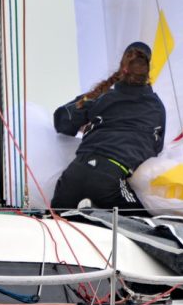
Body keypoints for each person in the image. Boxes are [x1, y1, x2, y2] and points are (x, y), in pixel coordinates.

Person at [50, 41, 166, 213]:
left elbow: (62, 120)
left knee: (54, 221)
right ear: (148, 71)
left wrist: (89, 124)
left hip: (74, 174)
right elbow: (155, 149)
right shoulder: (156, 108)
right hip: (110, 177)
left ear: (122, 67)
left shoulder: (100, 97)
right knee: (141, 221)